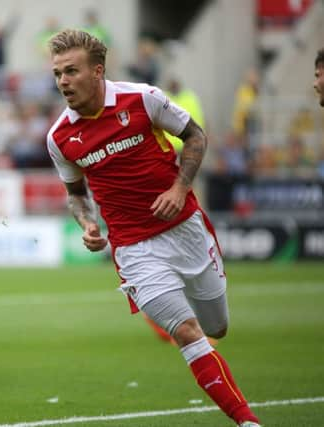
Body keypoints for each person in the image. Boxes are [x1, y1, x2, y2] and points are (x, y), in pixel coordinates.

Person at [46, 29, 261, 427]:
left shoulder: (142, 98)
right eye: (57, 73)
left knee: (218, 327)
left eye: (71, 71)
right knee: (189, 333)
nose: (62, 81)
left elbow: (195, 135)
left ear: (97, 71)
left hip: (186, 229)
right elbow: (75, 193)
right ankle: (248, 421)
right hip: (133, 248)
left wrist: (181, 187)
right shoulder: (59, 137)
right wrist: (87, 221)